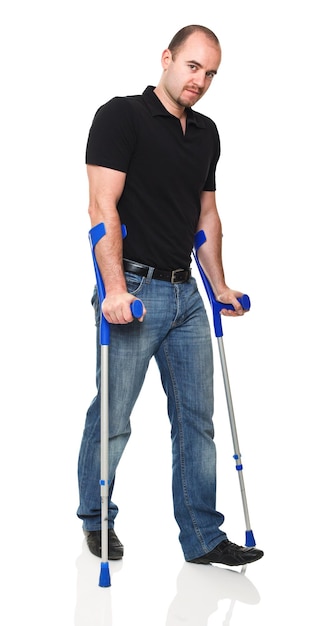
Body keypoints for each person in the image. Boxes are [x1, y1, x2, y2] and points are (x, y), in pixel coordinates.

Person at [77, 24, 264, 566]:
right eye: (192, 67)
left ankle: (203, 539)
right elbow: (101, 208)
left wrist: (221, 285)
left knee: (196, 420)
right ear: (167, 58)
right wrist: (113, 288)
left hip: (186, 296)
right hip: (133, 288)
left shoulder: (206, 133)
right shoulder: (121, 116)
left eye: (210, 73)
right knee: (114, 416)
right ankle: (97, 517)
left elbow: (205, 215)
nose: (200, 81)